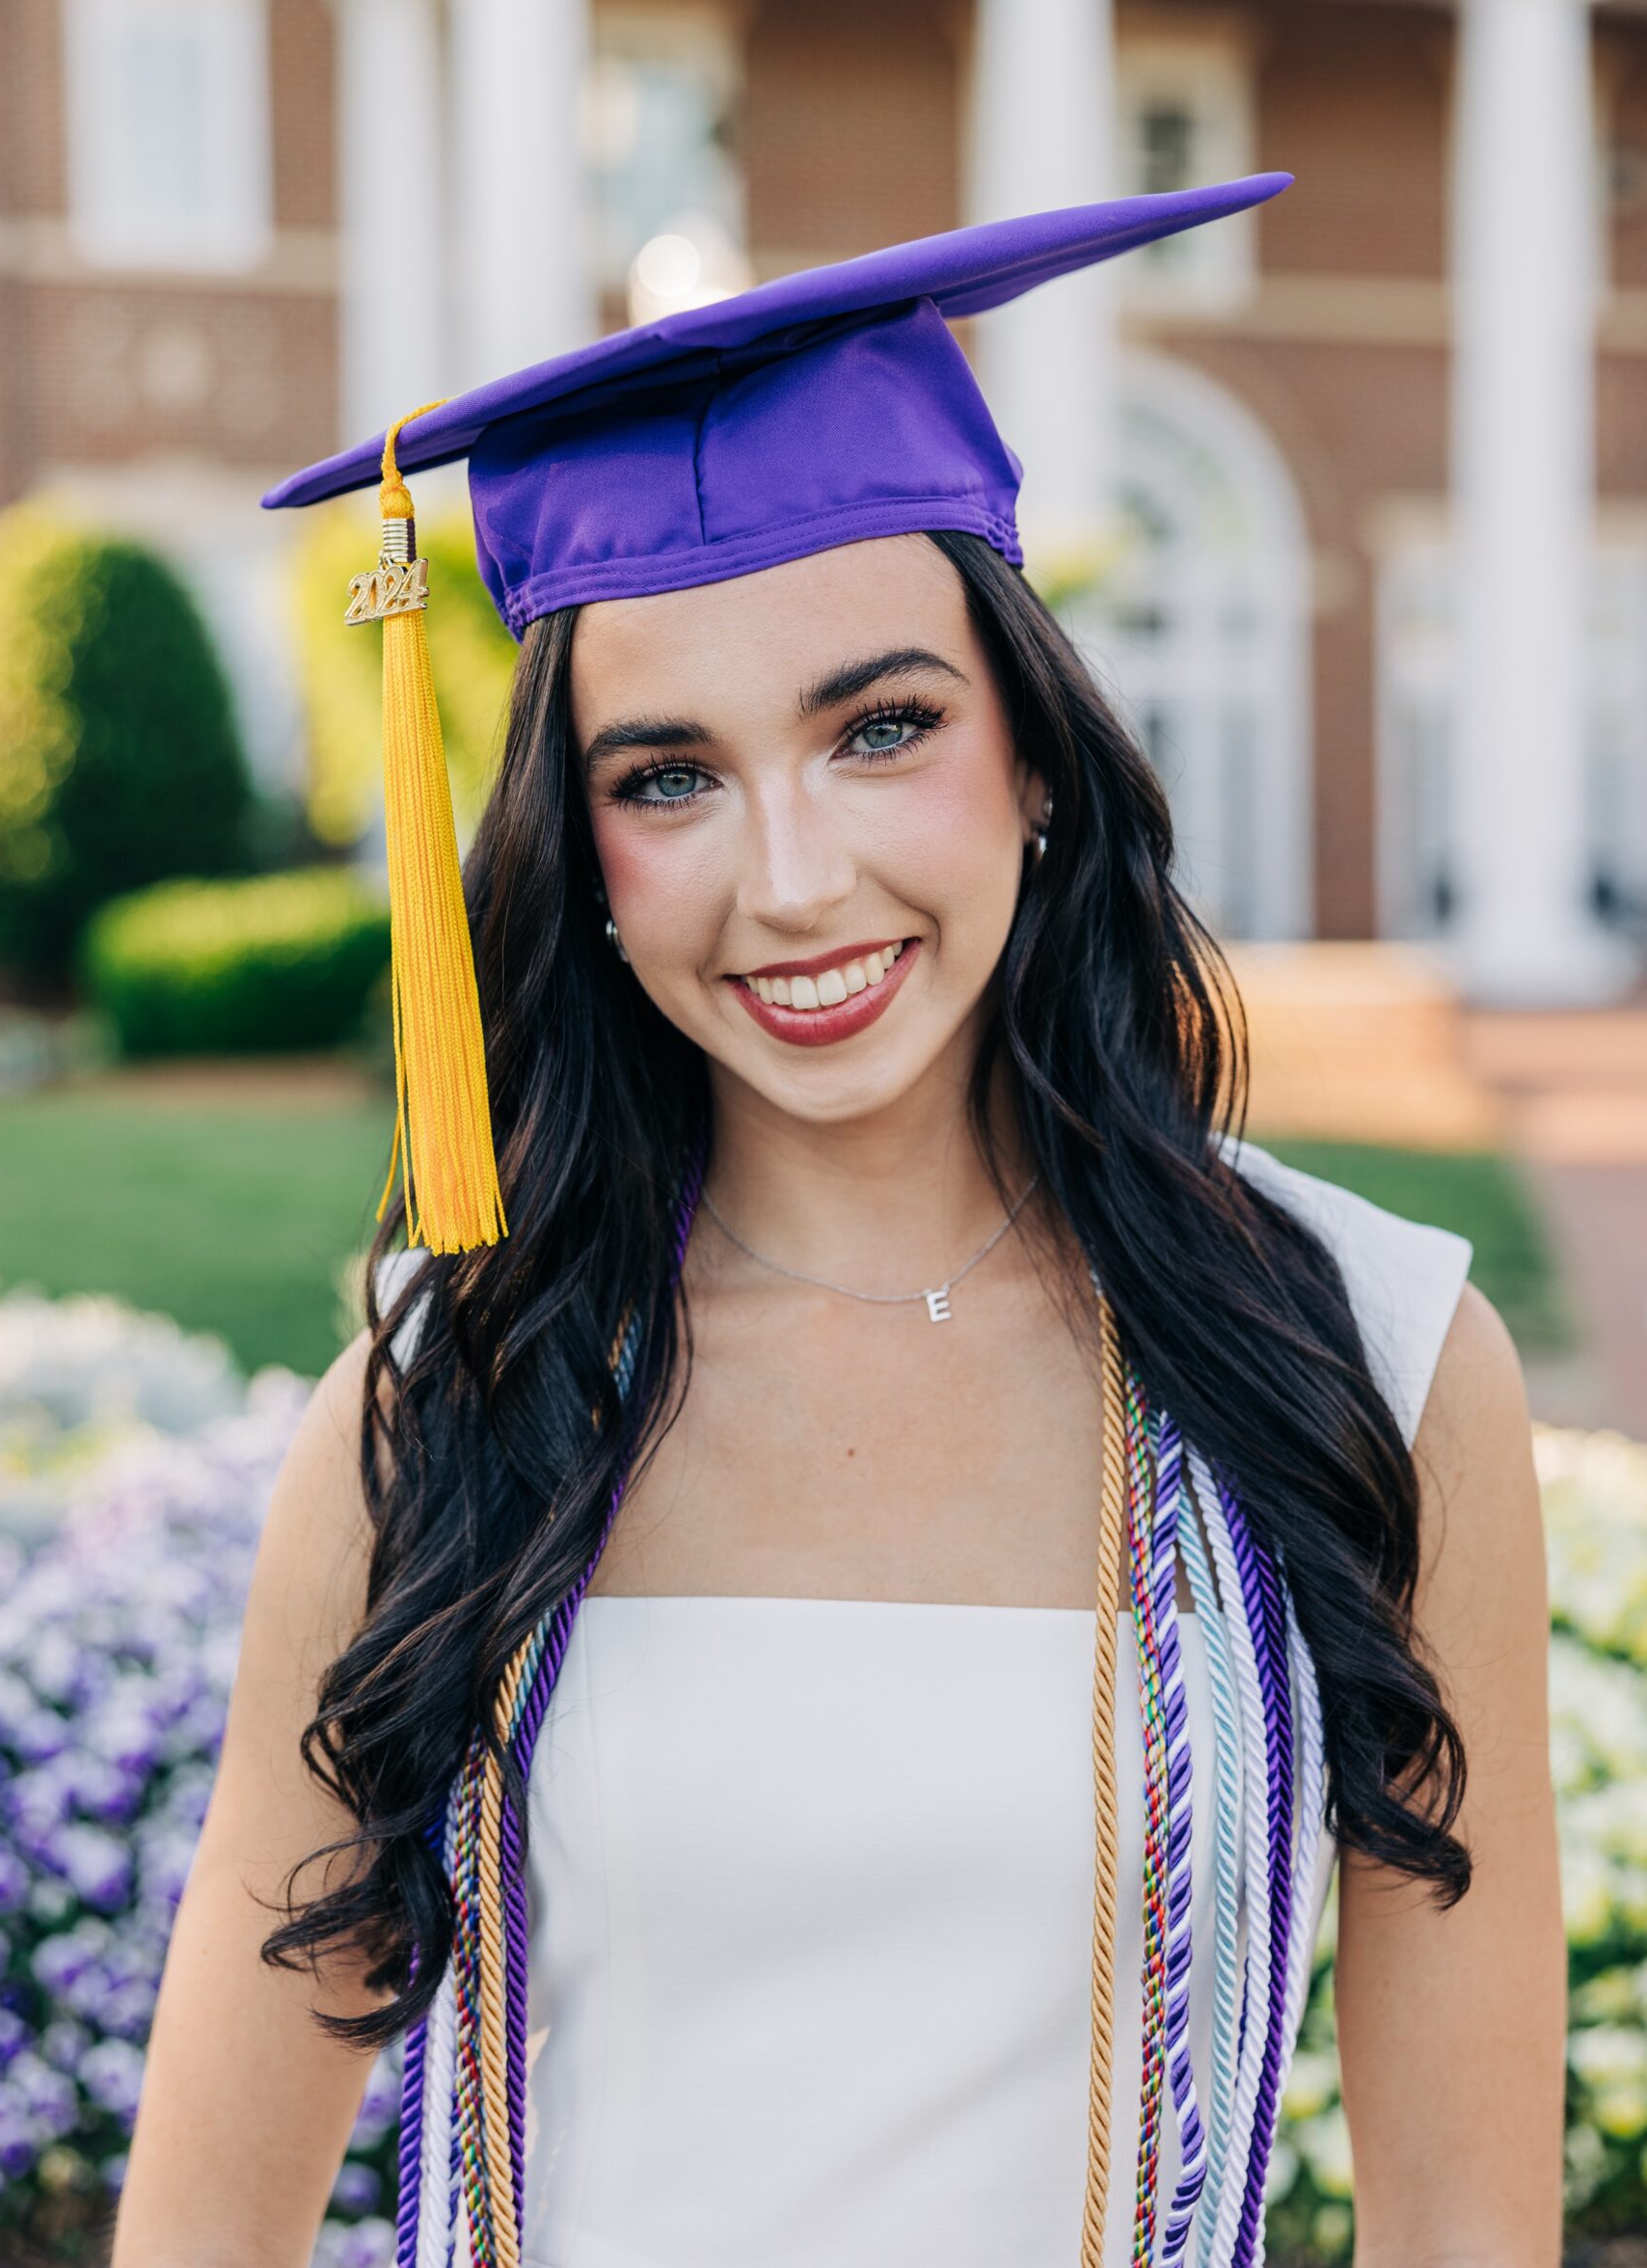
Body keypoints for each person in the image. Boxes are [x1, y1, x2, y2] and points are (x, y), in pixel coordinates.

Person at [113, 179, 1564, 2268]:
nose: (786, 880)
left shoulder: (1363, 1360)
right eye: (668, 775)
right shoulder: (460, 1397)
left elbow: (1460, 2223)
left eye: (879, 726)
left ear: (1032, 753)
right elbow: (201, 2229)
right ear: (581, 853)